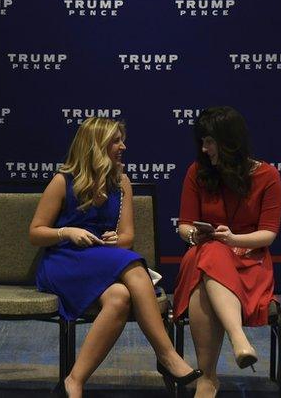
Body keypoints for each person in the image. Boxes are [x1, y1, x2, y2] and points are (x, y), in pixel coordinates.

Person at [30, 117, 202, 398]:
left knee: (120, 297)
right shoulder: (63, 181)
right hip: (64, 261)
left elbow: (127, 237)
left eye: (122, 140)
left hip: (100, 258)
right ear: (96, 145)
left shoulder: (121, 182)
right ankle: (167, 356)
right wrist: (66, 231)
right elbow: (36, 233)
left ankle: (73, 381)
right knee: (134, 264)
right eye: (116, 141)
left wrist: (115, 240)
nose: (124, 146)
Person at [171, 106, 281, 398]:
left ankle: (207, 378)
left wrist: (235, 238)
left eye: (210, 141)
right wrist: (195, 234)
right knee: (209, 254)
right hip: (205, 253)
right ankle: (238, 339)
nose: (205, 149)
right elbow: (184, 225)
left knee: (207, 264)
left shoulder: (268, 175)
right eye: (202, 142)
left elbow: (268, 234)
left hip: (250, 262)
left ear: (229, 141)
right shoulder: (197, 172)